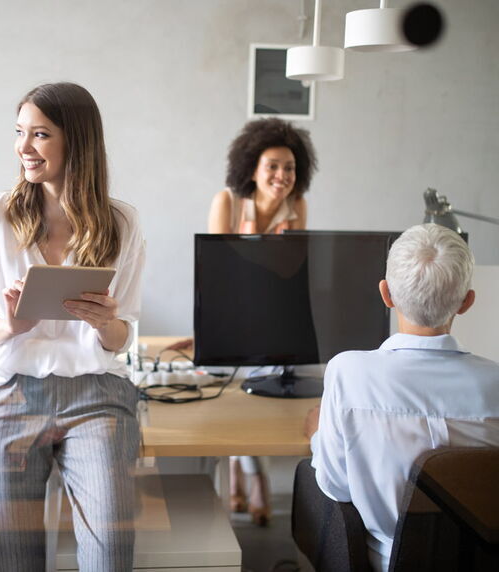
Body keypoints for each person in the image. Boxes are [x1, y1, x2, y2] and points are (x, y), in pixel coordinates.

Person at [0, 82, 145, 572]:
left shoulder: (121, 223)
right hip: (10, 392)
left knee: (109, 557)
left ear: (76, 143)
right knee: (13, 561)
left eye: (39, 134)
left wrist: (106, 324)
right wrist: (10, 326)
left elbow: (123, 336)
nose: (23, 147)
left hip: (98, 394)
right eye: (19, 132)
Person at [305, 223, 499, 572]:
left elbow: (335, 487)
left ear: (387, 294)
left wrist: (318, 435)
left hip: (388, 561)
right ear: (467, 301)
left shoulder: (348, 373)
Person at [208, 117, 318, 526]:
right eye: (272, 165)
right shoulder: (228, 204)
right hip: (230, 320)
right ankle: (255, 484)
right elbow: (217, 275)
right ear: (252, 168)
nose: (282, 176)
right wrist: (266, 252)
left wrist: (255, 251)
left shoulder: (298, 207)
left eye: (289, 167)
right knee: (238, 400)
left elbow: (292, 276)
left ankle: (240, 476)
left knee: (262, 396)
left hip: (275, 320)